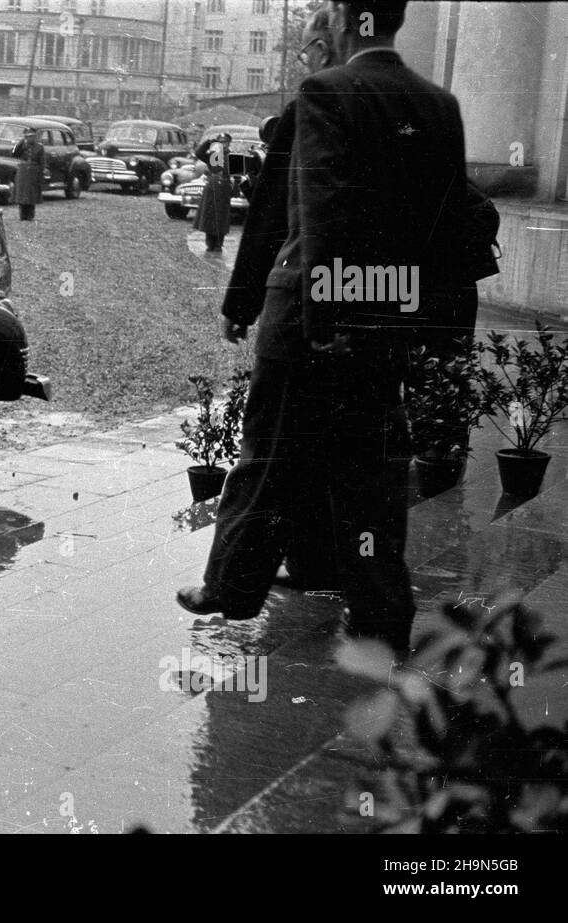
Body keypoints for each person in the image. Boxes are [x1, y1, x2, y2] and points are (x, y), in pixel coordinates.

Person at [177, 0, 469, 656]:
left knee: (268, 452)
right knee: (371, 476)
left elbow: (319, 212)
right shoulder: (440, 104)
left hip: (311, 318)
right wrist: (418, 328)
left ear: (343, 20)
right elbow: (448, 231)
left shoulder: (324, 93)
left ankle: (230, 585)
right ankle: (382, 616)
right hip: (385, 320)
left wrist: (319, 320)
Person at [188, 5, 344, 602]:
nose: (303, 62)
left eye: (305, 52)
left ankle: (228, 585)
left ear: (325, 51)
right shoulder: (415, 103)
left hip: (305, 303)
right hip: (384, 308)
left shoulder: (316, 106)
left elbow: (273, 219)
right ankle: (321, 565)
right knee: (346, 446)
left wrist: (242, 301)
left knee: (269, 443)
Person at [193, 132, 232, 253]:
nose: (223, 144)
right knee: (209, 216)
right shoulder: (214, 155)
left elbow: (238, 173)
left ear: (229, 143)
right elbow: (198, 153)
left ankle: (219, 244)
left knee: (221, 218)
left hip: (225, 188)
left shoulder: (232, 156)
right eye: (221, 141)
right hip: (213, 187)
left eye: (225, 142)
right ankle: (210, 243)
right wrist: (208, 142)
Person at [10, 126, 47, 221]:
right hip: (23, 172)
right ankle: (22, 215)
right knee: (22, 196)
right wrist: (21, 142)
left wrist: (42, 173)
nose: (30, 138)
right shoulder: (22, 146)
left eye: (32, 136)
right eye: (28, 136)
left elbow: (42, 161)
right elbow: (14, 153)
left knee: (31, 195)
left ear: (35, 137)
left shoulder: (39, 147)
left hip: (33, 173)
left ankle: (30, 215)